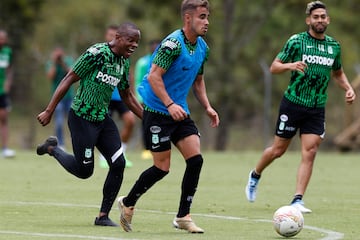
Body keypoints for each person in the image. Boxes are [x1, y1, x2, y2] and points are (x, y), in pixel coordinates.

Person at [118, 0, 219, 234]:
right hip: (157, 112)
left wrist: (207, 106)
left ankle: (184, 216)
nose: (206, 22)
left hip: (179, 111)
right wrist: (169, 103)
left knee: (196, 160)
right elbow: (154, 76)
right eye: (202, 17)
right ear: (187, 19)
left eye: (207, 17)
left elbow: (199, 80)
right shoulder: (172, 44)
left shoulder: (202, 47)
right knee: (162, 168)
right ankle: (128, 202)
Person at [245, 1, 356, 213]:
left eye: (323, 16)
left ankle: (297, 199)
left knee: (310, 151)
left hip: (317, 108)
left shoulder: (334, 46)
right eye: (316, 17)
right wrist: (290, 65)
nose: (320, 20)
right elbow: (274, 67)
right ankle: (256, 174)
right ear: (308, 20)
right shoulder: (297, 42)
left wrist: (348, 88)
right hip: (293, 104)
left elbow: (338, 73)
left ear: (328, 20)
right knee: (278, 150)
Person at [36, 22, 143, 227]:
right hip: (81, 118)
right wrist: (49, 110)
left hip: (103, 120)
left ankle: (103, 216)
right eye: (131, 41)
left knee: (118, 164)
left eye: (137, 42)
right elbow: (69, 78)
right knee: (85, 171)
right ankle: (52, 148)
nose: (134, 46)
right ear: (118, 37)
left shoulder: (124, 62)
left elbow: (127, 96)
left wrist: (148, 118)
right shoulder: (96, 53)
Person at [98, 24, 136, 168]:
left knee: (130, 121)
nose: (112, 37)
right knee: (104, 127)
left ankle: (122, 152)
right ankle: (103, 156)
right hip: (105, 97)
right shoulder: (102, 53)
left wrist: (132, 93)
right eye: (110, 35)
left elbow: (128, 77)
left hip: (120, 97)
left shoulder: (125, 55)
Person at [134, 39, 160, 160]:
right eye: (152, 45)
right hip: (146, 98)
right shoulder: (143, 62)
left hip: (160, 98)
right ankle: (146, 148)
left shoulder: (163, 61)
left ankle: (158, 147)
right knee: (146, 122)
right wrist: (140, 98)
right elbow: (138, 80)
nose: (154, 47)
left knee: (160, 123)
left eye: (157, 45)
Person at [46, 47, 74, 149]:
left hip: (69, 97)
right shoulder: (50, 63)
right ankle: (60, 143)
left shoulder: (68, 61)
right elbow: (51, 77)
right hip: (57, 98)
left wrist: (62, 62)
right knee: (59, 121)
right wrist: (54, 62)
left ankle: (76, 142)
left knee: (74, 120)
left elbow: (71, 73)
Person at [0, 29, 15, 158]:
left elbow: (10, 69)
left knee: (4, 118)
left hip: (2, 92)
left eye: (3, 38)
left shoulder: (7, 52)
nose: (1, 41)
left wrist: (8, 82)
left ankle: (4, 149)